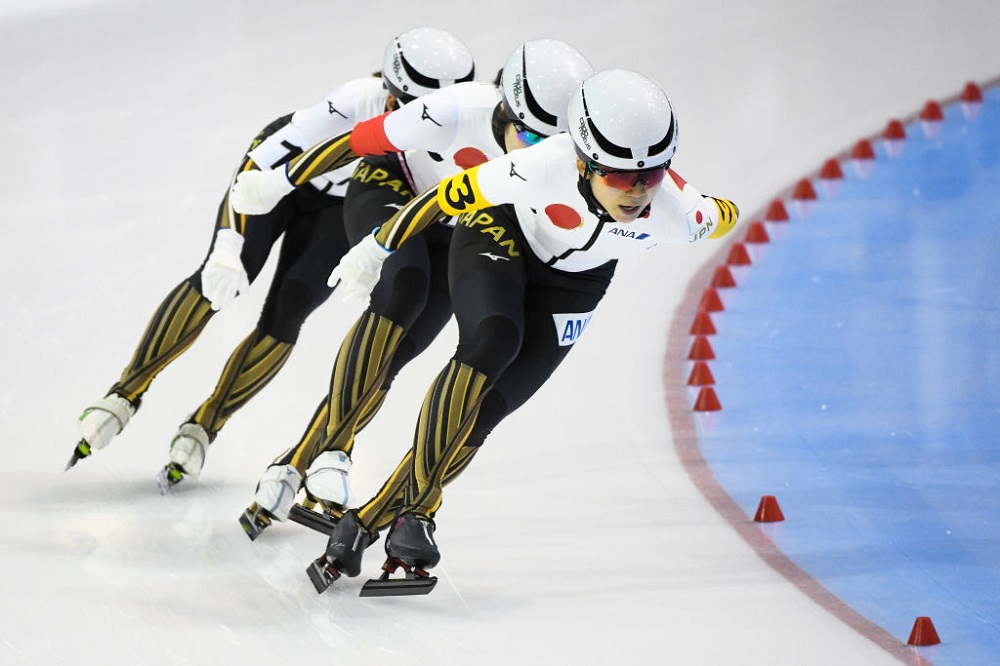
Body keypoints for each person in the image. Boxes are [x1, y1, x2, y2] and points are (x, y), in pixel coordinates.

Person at [303, 68, 740, 593]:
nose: (638, 191)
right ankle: (418, 512)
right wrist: (376, 246)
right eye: (620, 176)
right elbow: (442, 199)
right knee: (493, 339)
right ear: (581, 160)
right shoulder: (539, 166)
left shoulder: (677, 211)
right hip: (500, 233)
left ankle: (367, 521)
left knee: (486, 413)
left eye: (651, 175)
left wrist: (705, 204)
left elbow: (723, 216)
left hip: (577, 284)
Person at [67, 28, 476, 491]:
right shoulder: (357, 99)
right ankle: (125, 392)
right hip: (280, 183)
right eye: (417, 111)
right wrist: (226, 246)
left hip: (342, 209)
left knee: (288, 312)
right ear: (393, 94)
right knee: (221, 279)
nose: (428, 124)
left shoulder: (456, 128)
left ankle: (206, 424)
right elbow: (264, 156)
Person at [229, 39, 595, 539]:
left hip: (453, 224)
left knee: (396, 354)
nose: (542, 157)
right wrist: (282, 180)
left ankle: (293, 463)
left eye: (557, 146)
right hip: (391, 187)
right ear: (507, 110)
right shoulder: (455, 110)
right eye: (532, 138)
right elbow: (359, 141)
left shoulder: (557, 157)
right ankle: (336, 448)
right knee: (404, 288)